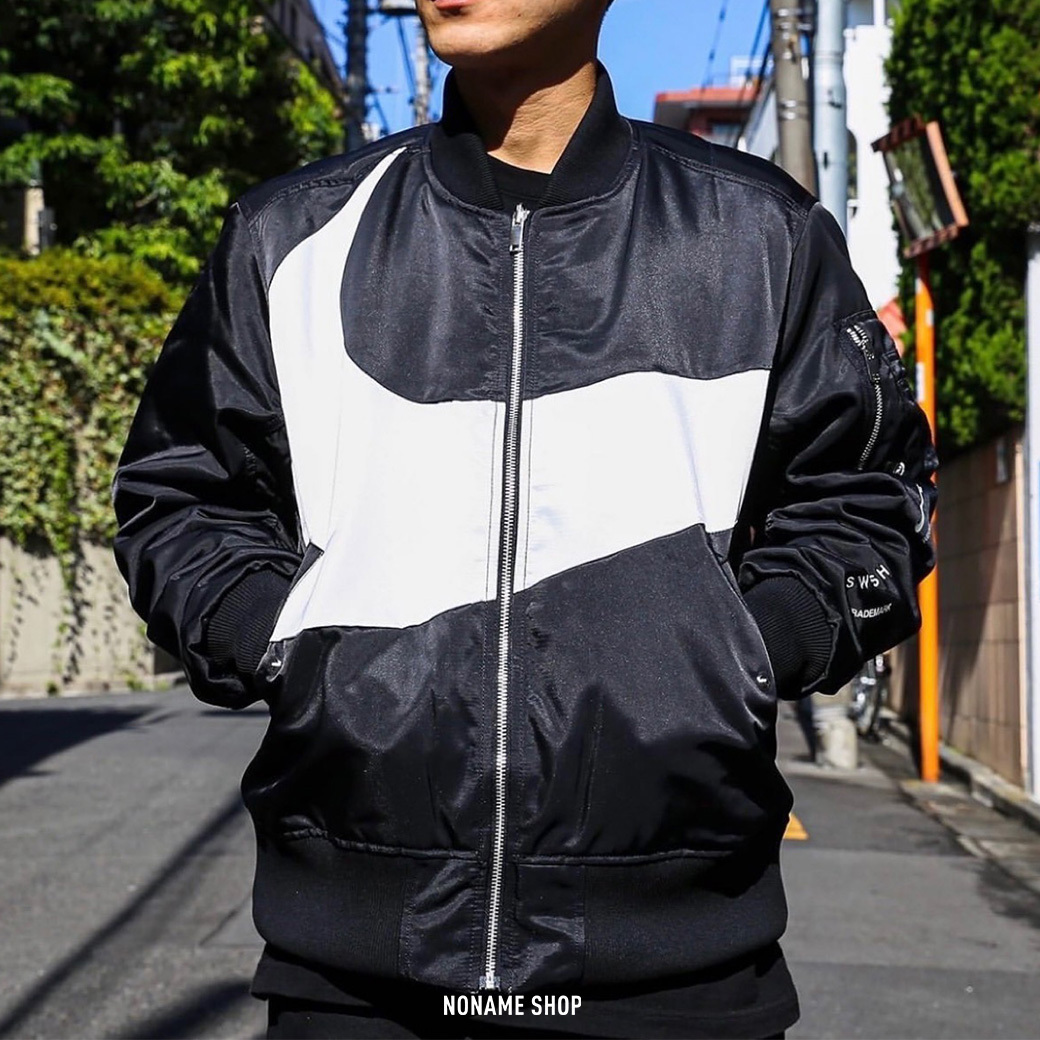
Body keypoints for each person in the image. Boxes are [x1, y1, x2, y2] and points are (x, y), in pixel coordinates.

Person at [112, 0, 937, 1036]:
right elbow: (181, 494)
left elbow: (870, 496)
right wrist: (283, 644)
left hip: (680, 974)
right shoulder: (290, 238)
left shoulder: (757, 236)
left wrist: (740, 648)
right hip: (354, 978)